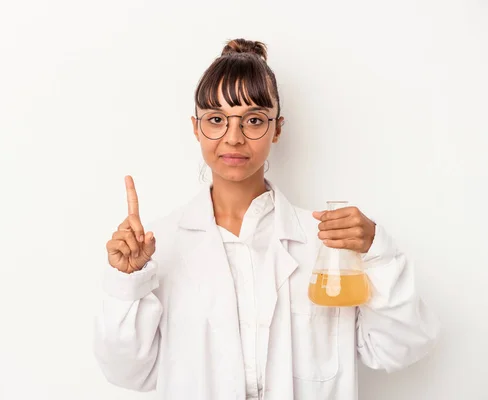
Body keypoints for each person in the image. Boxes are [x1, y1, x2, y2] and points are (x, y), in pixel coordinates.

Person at [94, 38, 439, 400]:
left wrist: (377, 252)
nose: (234, 138)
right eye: (216, 120)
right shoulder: (157, 247)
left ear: (277, 128)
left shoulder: (326, 244)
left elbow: (400, 348)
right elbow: (127, 373)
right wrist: (128, 281)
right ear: (196, 128)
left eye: (254, 120)